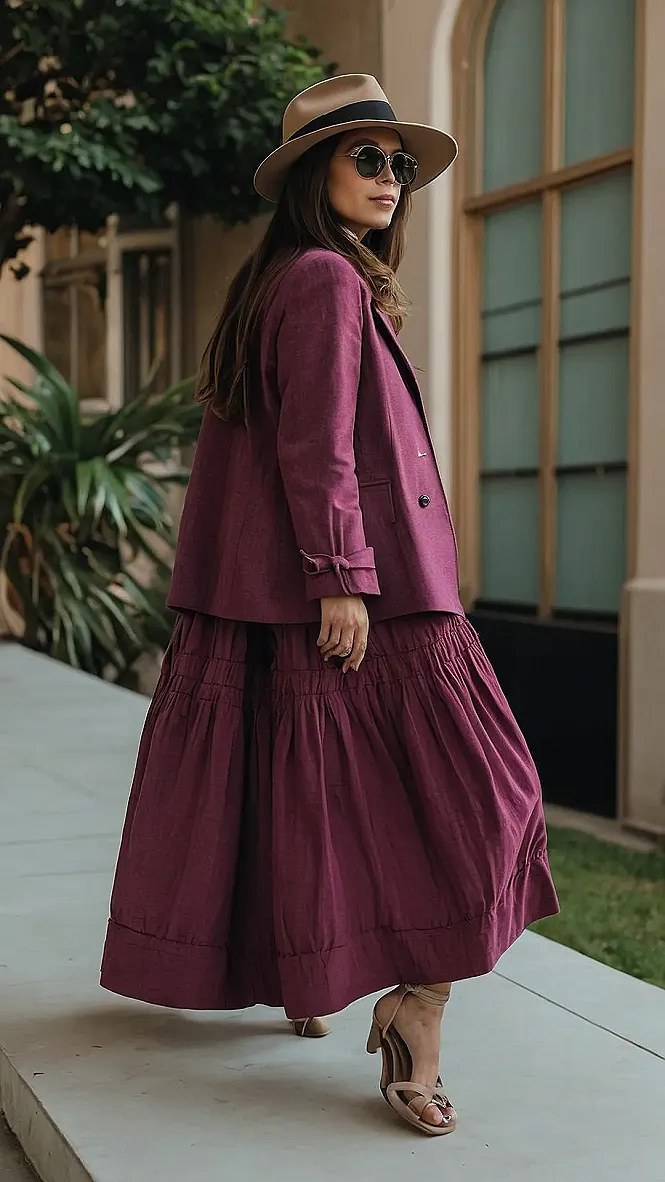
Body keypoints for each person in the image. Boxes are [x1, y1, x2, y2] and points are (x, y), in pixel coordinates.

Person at [101, 74, 559, 1137]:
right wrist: (339, 573)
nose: (390, 178)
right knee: (489, 799)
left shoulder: (298, 276)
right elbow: (317, 442)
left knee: (301, 799)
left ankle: (324, 983)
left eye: (398, 163)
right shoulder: (318, 279)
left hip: (314, 592)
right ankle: (416, 1011)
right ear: (315, 173)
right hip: (366, 590)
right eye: (367, 158)